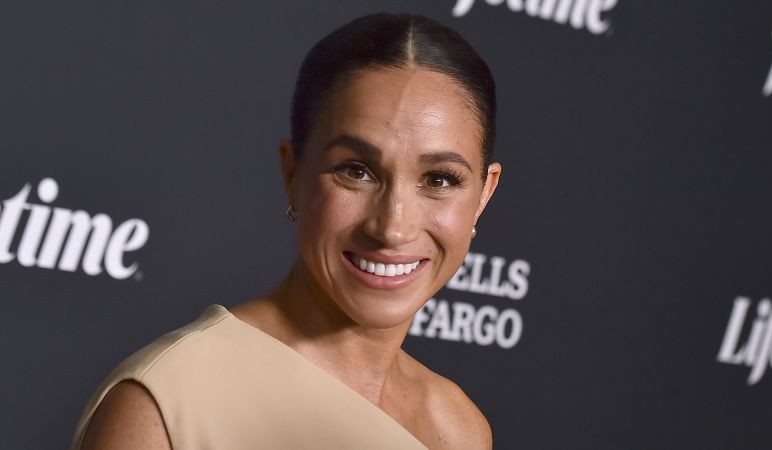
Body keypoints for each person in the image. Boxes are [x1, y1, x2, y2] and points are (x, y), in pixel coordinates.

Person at [72, 12, 501, 450]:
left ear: (484, 195)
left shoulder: (458, 430)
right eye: (356, 171)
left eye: (440, 179)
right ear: (293, 173)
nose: (393, 227)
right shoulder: (163, 405)